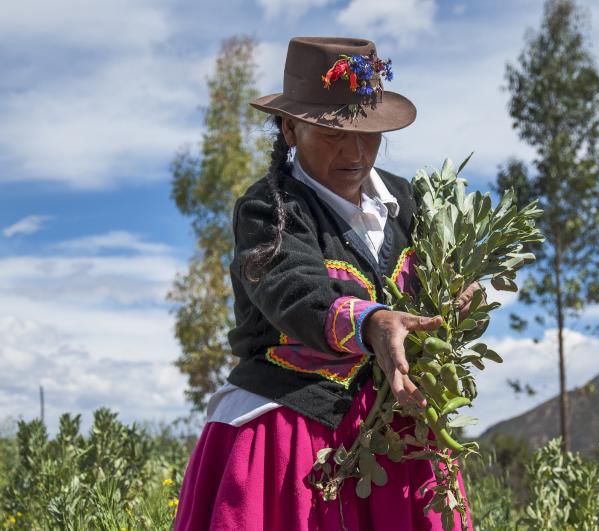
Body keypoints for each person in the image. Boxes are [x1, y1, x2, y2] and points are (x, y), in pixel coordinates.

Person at [175, 36, 477, 531]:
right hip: (292, 438)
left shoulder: (410, 203)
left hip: (399, 439)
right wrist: (373, 322)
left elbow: (431, 289)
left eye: (368, 133)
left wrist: (455, 301)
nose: (356, 152)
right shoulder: (267, 211)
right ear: (291, 129)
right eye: (333, 133)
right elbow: (292, 290)